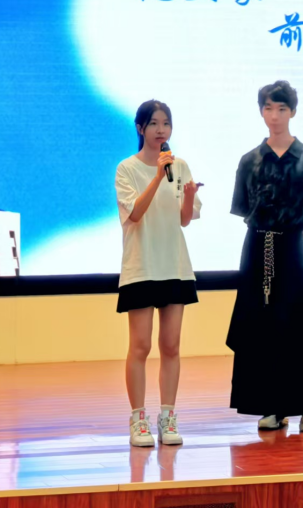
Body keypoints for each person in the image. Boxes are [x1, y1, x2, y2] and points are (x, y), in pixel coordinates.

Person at [227, 80, 303, 435]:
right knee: (260, 325)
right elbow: (244, 208)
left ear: (293, 112)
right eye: (269, 108)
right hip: (257, 248)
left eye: (282, 109)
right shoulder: (249, 160)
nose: (274, 115)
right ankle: (270, 405)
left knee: (299, 324)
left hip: (291, 248)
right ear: (261, 111)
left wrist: (288, 237)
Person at [115, 99, 201, 447]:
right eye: (153, 123)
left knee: (171, 345)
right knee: (140, 345)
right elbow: (135, 213)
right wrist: (156, 177)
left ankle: (168, 417)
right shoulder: (127, 169)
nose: (161, 130)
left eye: (166, 123)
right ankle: (138, 419)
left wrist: (189, 195)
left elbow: (184, 219)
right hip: (141, 266)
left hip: (174, 266)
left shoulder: (180, 167)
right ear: (140, 128)